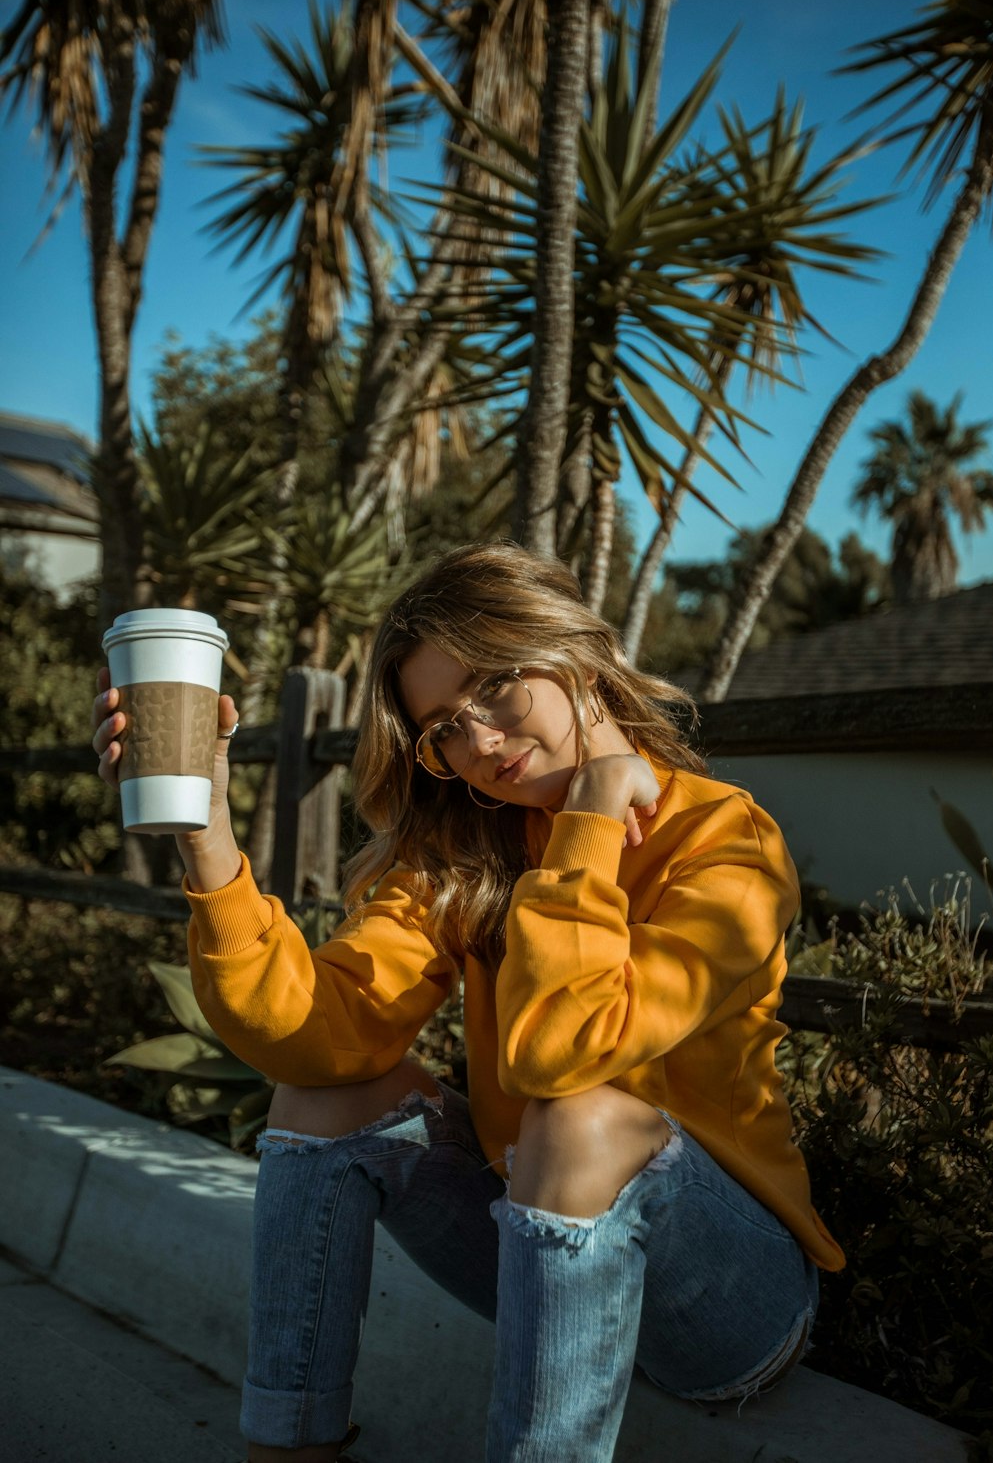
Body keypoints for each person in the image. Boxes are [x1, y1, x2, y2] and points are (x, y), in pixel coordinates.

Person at [93, 542, 844, 1463]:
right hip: (541, 1250)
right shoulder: (464, 855)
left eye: (497, 685)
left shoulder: (725, 842)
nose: (480, 742)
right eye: (445, 726)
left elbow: (564, 1055)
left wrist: (591, 822)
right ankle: (287, 1449)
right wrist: (207, 837)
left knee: (577, 1119)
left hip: (728, 1303)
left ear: (575, 658)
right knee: (322, 1102)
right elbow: (315, 1038)